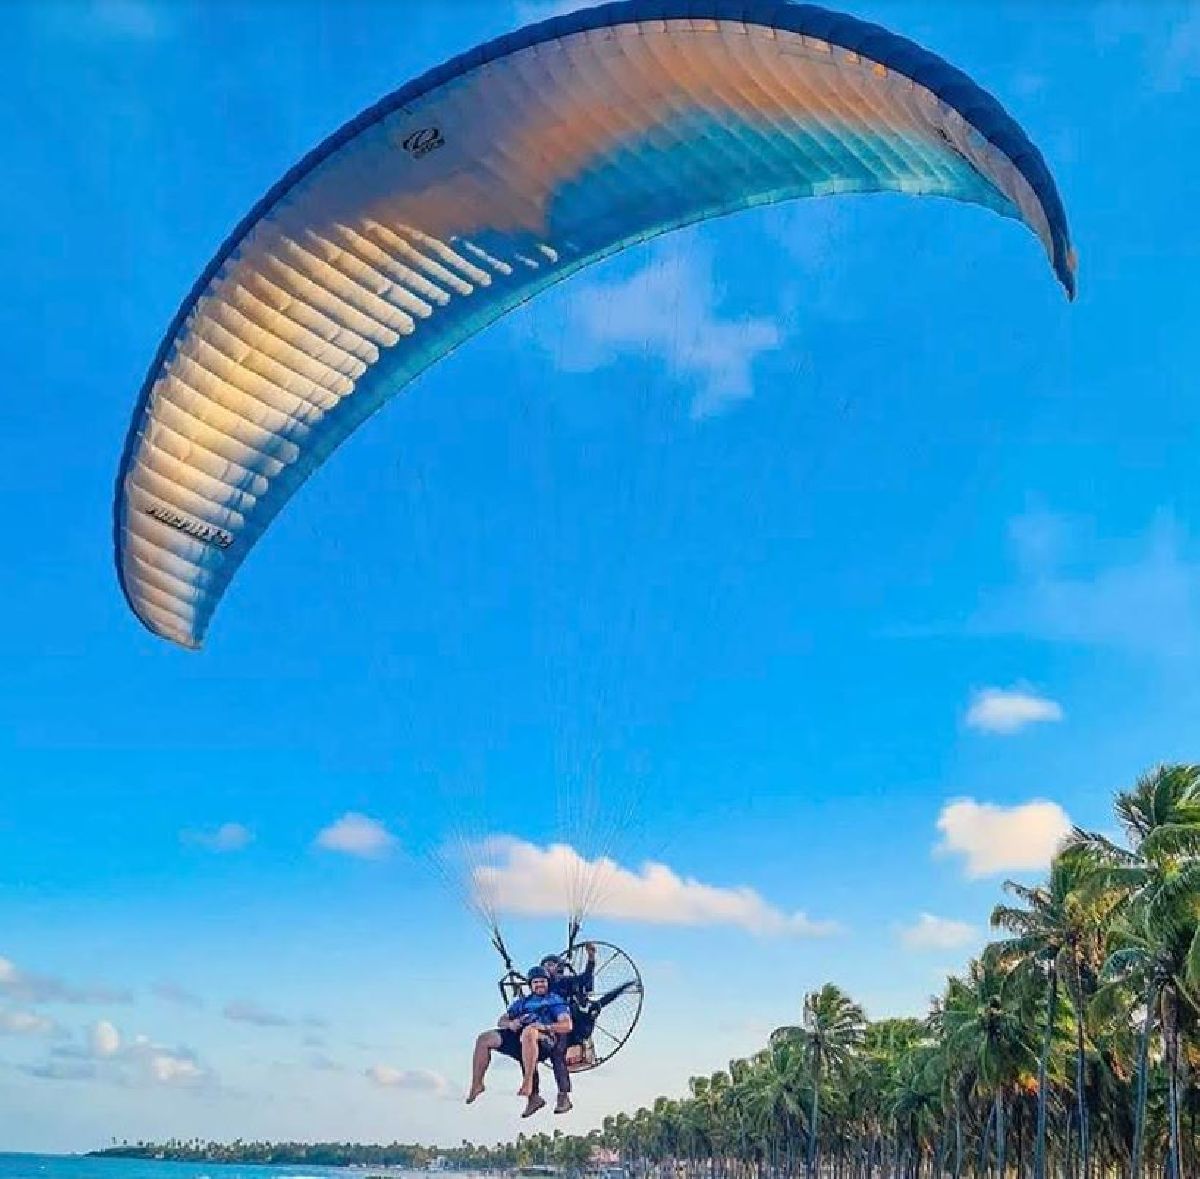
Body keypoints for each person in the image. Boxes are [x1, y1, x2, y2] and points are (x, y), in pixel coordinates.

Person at [466, 966, 572, 1118]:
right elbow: (502, 1020)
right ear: (530, 985)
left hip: (545, 1041)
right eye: (536, 982)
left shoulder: (554, 1001)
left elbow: (567, 1025)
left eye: (543, 981)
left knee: (530, 1031)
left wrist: (543, 1026)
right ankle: (477, 1084)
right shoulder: (522, 1002)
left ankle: (528, 1083)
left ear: (548, 983)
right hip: (520, 1039)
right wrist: (510, 1024)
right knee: (484, 1038)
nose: (539, 985)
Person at [537, 942, 597, 1113]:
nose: (548, 967)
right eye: (545, 965)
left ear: (558, 967)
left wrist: (591, 959)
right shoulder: (539, 986)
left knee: (558, 1053)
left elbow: (585, 979)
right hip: (545, 1028)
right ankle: (533, 1095)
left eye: (551, 964)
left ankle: (563, 1096)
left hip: (567, 1027)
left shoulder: (566, 982)